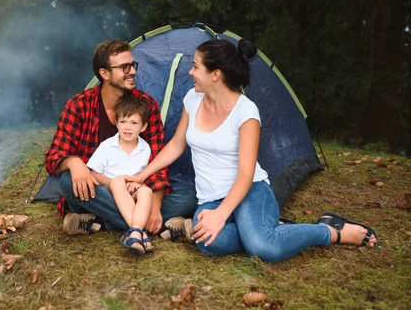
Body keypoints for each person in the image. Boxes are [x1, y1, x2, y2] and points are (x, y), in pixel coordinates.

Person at [126, 39, 378, 262]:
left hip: (249, 190)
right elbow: (177, 144)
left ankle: (330, 230)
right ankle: (268, 228)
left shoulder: (245, 111)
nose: (190, 72)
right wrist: (142, 174)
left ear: (215, 75)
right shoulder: (192, 99)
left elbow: (246, 174)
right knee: (206, 241)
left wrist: (220, 215)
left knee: (263, 247)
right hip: (210, 197)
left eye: (195, 66)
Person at [44, 39, 197, 237]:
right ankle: (155, 225)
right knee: (67, 181)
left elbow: (157, 161)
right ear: (104, 74)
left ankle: (98, 222)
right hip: (101, 188)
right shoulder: (79, 106)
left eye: (133, 65)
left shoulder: (146, 106)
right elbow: (52, 158)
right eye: (124, 67)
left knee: (189, 195)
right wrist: (74, 163)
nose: (132, 71)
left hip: (138, 189)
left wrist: (155, 205)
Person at [87, 94, 155, 255]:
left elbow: (143, 176)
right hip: (109, 191)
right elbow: (94, 173)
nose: (127, 127)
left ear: (143, 127)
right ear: (116, 123)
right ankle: (141, 233)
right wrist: (113, 182)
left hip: (131, 193)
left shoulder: (145, 149)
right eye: (123, 121)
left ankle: (135, 232)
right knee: (118, 182)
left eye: (134, 123)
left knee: (147, 191)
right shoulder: (107, 146)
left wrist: (139, 185)